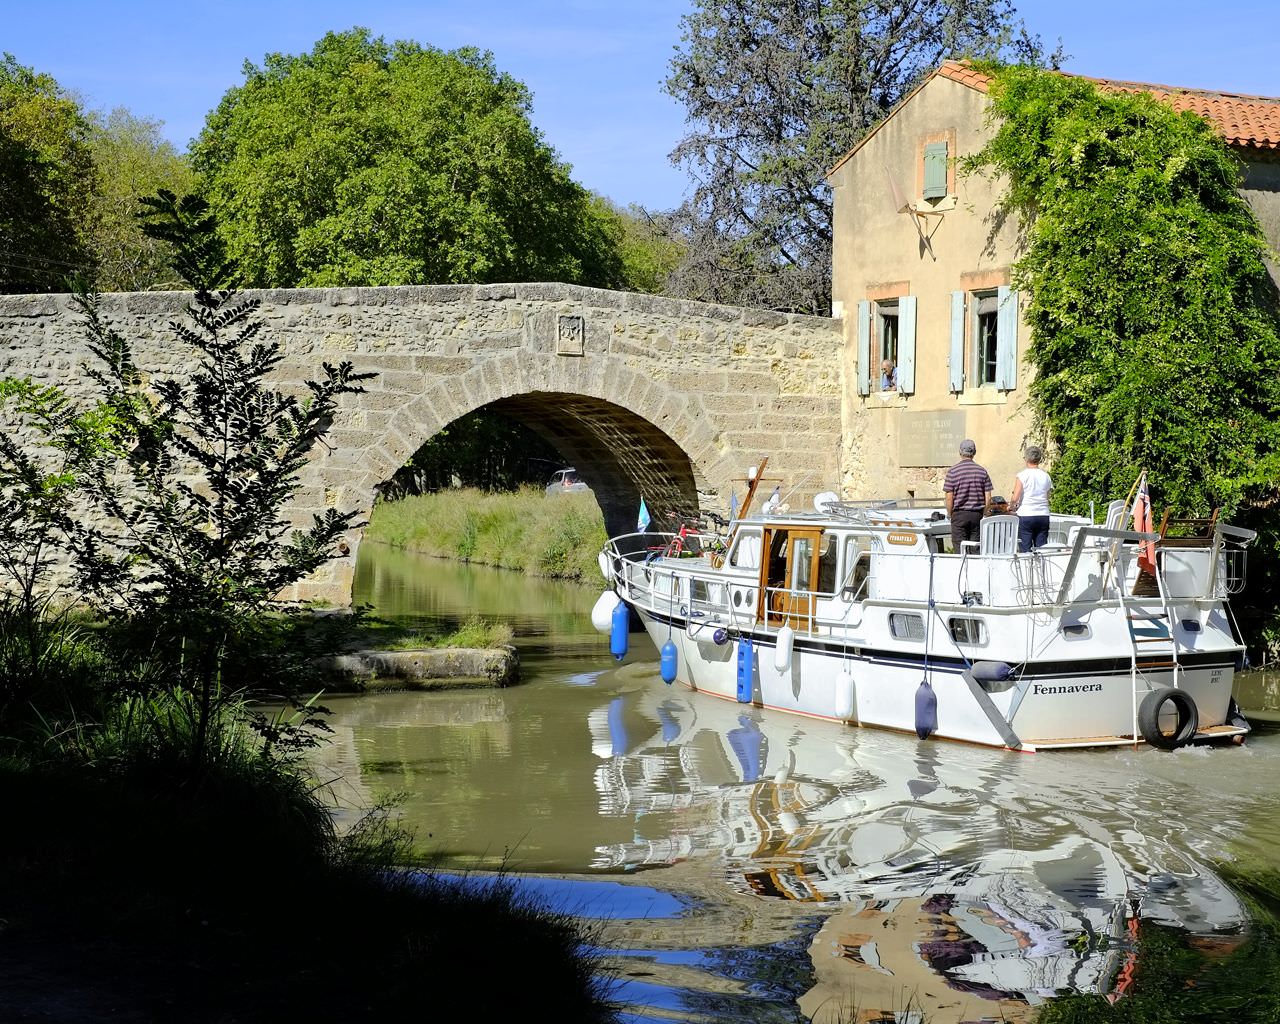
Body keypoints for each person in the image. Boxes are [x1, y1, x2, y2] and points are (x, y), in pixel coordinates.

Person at [943, 439, 992, 552]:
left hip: (959, 515)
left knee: (960, 549)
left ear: (960, 452)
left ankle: (963, 569)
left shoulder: (952, 472)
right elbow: (988, 496)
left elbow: (949, 497)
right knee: (975, 549)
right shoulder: (982, 471)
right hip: (977, 515)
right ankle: (975, 569)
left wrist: (950, 514)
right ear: (974, 453)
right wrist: (984, 512)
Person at [1009, 445, 1053, 552]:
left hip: (1026, 514)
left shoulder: (1022, 475)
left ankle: (1027, 568)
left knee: (1025, 548)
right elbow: (1048, 496)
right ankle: (1041, 568)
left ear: (1026, 459)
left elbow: (1015, 498)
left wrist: (1011, 507)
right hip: (1043, 514)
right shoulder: (1046, 476)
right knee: (1041, 549)